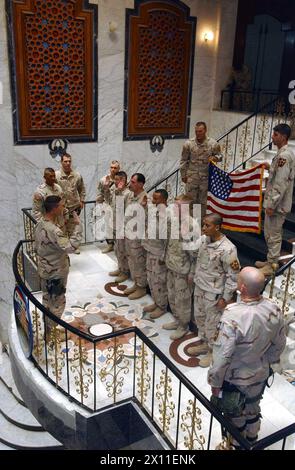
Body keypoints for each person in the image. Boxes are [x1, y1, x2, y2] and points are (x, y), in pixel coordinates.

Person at [208, 267, 286, 448]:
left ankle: (235, 445)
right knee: (252, 409)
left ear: (242, 288)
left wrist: (215, 383)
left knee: (235, 415)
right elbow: (279, 344)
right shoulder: (274, 308)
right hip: (260, 374)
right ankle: (252, 441)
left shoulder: (232, 315)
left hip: (235, 379)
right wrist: (265, 362)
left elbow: (222, 356)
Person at [187, 213, 240, 368]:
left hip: (214, 293)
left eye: (207, 225)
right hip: (200, 287)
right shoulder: (203, 240)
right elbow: (193, 254)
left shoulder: (228, 249)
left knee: (213, 324)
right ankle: (205, 343)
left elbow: (234, 276)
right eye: (203, 224)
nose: (204, 228)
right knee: (200, 318)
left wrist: (226, 297)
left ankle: (213, 352)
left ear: (217, 227)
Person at [34, 196, 82, 334]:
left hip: (45, 269)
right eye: (61, 206)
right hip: (55, 272)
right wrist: (78, 225)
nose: (63, 208)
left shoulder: (40, 223)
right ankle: (51, 333)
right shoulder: (54, 230)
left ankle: (49, 329)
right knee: (57, 303)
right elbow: (71, 247)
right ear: (54, 209)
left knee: (47, 300)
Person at [255, 124, 295, 276]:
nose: (273, 137)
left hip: (277, 205)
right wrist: (268, 167)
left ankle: (272, 265)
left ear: (283, 137)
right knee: (269, 234)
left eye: (276, 134)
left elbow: (280, 183)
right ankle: (270, 260)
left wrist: (271, 204)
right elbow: (278, 175)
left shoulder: (284, 156)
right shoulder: (282, 154)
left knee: (273, 235)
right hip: (276, 204)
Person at [162, 194, 200, 340]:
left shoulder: (192, 225)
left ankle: (183, 326)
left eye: (178, 206)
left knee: (182, 299)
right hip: (171, 264)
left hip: (183, 269)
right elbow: (168, 242)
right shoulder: (173, 220)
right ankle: (177, 320)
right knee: (172, 295)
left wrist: (192, 273)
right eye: (175, 205)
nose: (175, 208)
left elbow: (196, 253)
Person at [180, 122, 222, 218]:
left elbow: (220, 156)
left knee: (202, 203)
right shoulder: (188, 144)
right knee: (190, 201)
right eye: (196, 131)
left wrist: (215, 158)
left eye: (200, 131)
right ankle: (189, 223)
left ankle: (200, 223)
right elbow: (184, 160)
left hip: (205, 179)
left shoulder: (213, 144)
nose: (198, 133)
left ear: (205, 130)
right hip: (192, 178)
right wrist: (183, 175)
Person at [142, 189, 169, 319]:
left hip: (159, 254)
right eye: (153, 198)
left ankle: (162, 306)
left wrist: (163, 257)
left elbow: (168, 241)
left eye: (156, 199)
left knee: (159, 281)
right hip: (150, 250)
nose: (153, 201)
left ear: (164, 200)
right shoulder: (154, 212)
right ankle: (156, 301)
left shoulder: (168, 216)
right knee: (151, 279)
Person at [124, 173, 148, 300]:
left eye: (133, 182)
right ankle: (136, 283)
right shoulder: (130, 196)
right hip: (129, 235)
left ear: (140, 184)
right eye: (131, 181)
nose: (130, 184)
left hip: (138, 237)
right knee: (132, 261)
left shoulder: (145, 199)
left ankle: (142, 287)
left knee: (139, 262)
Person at [55, 153, 86, 254]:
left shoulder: (77, 175)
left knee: (75, 229)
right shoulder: (56, 175)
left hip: (74, 207)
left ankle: (74, 246)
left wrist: (82, 200)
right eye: (65, 161)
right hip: (61, 208)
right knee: (62, 229)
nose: (68, 163)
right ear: (61, 162)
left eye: (69, 161)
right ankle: (64, 248)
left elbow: (82, 189)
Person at [107, 171, 131, 283]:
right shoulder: (117, 192)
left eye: (117, 180)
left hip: (123, 227)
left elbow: (125, 211)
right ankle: (120, 268)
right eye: (115, 179)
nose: (115, 182)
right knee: (117, 250)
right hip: (116, 225)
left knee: (123, 251)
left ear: (123, 180)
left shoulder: (127, 193)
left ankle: (125, 272)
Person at [96, 160, 121, 253]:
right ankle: (110, 245)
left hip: (119, 206)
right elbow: (99, 193)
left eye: (115, 168)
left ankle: (119, 245)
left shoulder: (122, 180)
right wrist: (99, 206)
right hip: (107, 205)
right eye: (111, 167)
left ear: (119, 169)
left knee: (119, 227)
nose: (113, 169)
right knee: (108, 227)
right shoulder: (103, 180)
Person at [32, 168, 67, 232]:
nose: (53, 178)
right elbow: (36, 212)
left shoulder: (58, 188)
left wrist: (65, 217)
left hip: (60, 224)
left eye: (54, 176)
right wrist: (43, 226)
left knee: (62, 241)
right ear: (45, 177)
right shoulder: (40, 192)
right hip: (48, 226)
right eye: (50, 176)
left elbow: (62, 204)